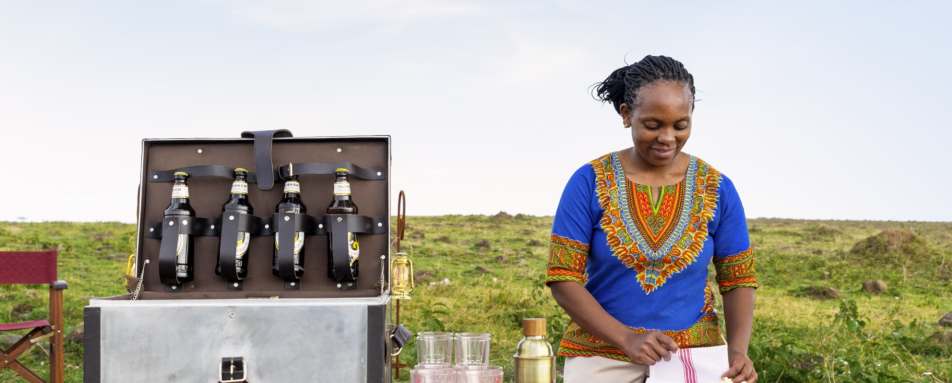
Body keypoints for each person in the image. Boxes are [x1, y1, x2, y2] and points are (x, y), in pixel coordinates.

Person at [546, 55, 758, 383]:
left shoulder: (718, 188)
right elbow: (563, 278)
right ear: (626, 114)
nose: (667, 137)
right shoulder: (588, 181)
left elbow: (738, 280)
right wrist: (626, 338)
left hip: (694, 359)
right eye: (653, 125)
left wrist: (738, 352)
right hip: (602, 358)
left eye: (680, 125)